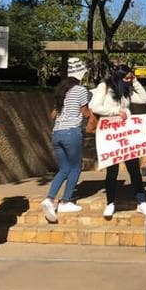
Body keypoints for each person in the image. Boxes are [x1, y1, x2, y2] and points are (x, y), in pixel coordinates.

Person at [89, 64, 146, 218]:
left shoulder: (127, 91)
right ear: (118, 76)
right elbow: (95, 106)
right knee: (112, 170)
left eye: (131, 78)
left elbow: (144, 98)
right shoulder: (104, 86)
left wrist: (135, 82)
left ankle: (141, 202)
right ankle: (110, 203)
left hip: (126, 134)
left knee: (134, 168)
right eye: (127, 78)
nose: (129, 81)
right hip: (110, 133)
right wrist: (115, 112)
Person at [41, 76, 91, 223]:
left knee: (63, 169)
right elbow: (85, 113)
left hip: (57, 133)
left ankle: (49, 199)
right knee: (76, 168)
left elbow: (53, 115)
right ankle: (65, 202)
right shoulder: (81, 90)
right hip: (71, 132)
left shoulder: (62, 94)